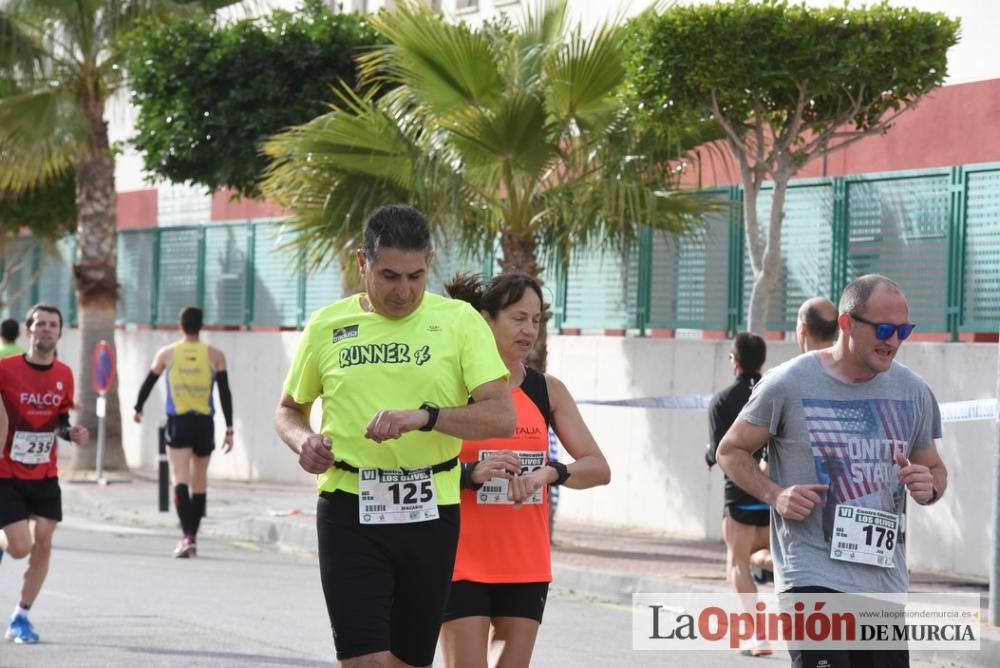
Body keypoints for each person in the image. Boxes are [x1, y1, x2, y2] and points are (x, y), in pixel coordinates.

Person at [274, 205, 515, 668]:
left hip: (431, 508)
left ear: (429, 262)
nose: (403, 291)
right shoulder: (327, 326)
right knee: (362, 658)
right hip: (349, 505)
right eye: (388, 275)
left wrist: (425, 418)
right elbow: (288, 410)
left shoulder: (460, 322)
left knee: (408, 661)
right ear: (363, 262)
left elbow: (500, 416)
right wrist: (303, 440)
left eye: (415, 276)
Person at [718, 274, 947, 668]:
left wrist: (929, 487)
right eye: (885, 329)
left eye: (903, 330)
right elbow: (730, 450)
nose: (894, 341)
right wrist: (776, 494)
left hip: (882, 583)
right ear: (847, 323)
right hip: (812, 574)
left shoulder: (913, 391)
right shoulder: (789, 383)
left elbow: (935, 471)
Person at [440, 272, 611, 668]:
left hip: (525, 561)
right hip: (459, 558)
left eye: (536, 320)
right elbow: (416, 468)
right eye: (518, 318)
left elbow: (598, 467)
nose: (529, 330)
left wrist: (551, 473)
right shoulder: (451, 387)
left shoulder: (546, 390)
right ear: (486, 320)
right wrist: (470, 473)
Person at [0, 304, 89, 644]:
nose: (46, 329)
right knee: (20, 548)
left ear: (60, 333)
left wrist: (73, 434)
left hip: (45, 472)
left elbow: (60, 421)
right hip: (6, 471)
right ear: (29, 331)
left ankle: (20, 617)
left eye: (53, 325)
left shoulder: (64, 374)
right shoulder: (5, 369)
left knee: (45, 543)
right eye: (40, 324)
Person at [133, 306, 234, 558]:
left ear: (180, 325)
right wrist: (229, 427)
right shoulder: (215, 355)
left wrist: (138, 407)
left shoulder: (167, 354)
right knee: (199, 482)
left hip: (178, 423)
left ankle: (186, 536)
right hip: (204, 424)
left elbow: (149, 382)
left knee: (179, 479)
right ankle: (193, 537)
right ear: (202, 326)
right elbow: (224, 393)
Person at [704, 332, 773, 656]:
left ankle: (758, 636)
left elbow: (719, 452)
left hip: (740, 493)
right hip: (774, 492)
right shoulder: (775, 392)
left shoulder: (722, 400)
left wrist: (709, 456)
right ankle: (779, 569)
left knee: (737, 563)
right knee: (766, 555)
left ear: (735, 361)